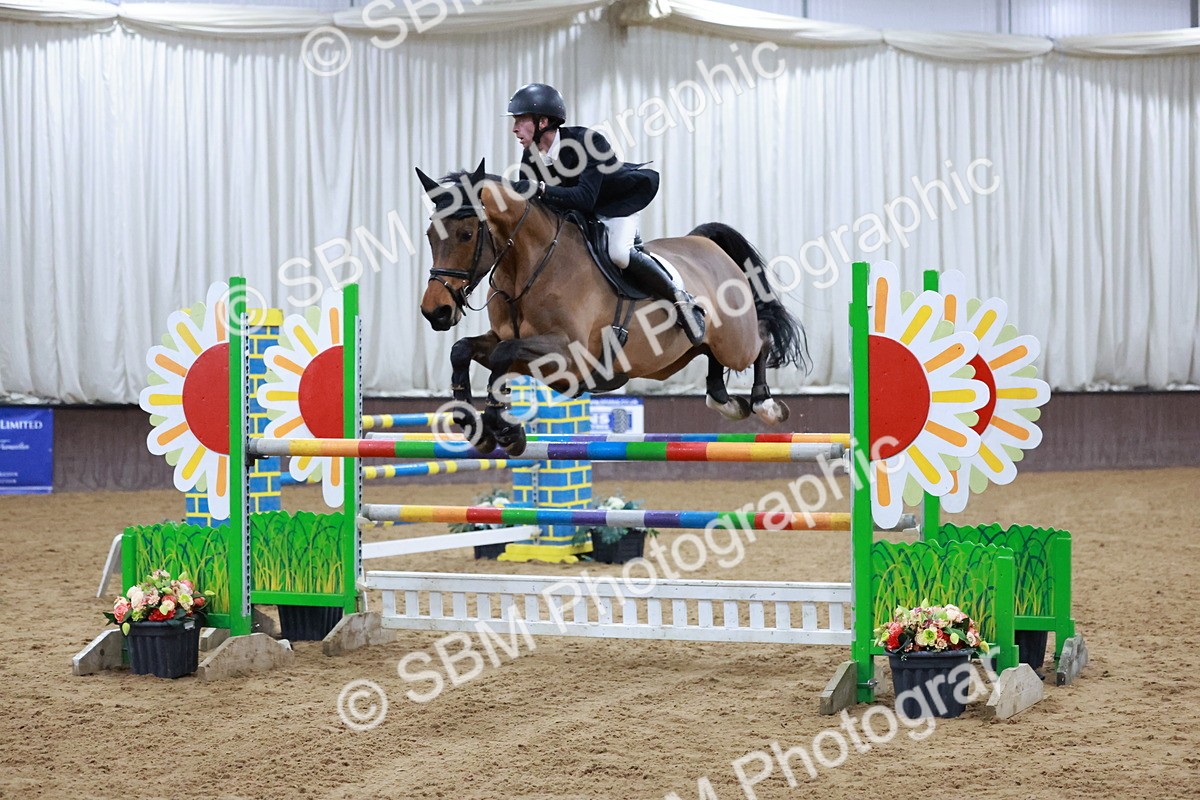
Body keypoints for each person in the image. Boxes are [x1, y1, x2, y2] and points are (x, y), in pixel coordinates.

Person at [506, 83, 706, 345]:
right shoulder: (530, 157)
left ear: (542, 122)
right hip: (575, 216)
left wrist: (541, 188)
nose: (514, 129)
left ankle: (681, 299)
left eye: (520, 121)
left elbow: (585, 198)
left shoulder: (588, 142)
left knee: (620, 254)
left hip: (613, 205)